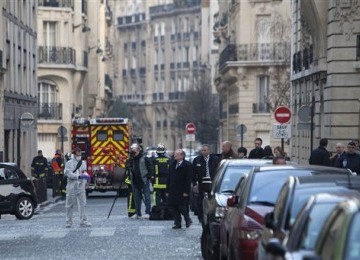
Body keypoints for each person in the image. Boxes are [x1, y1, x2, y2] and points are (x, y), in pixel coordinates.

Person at [64, 147, 91, 228]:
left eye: (80, 152)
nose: (79, 153)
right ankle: (68, 222)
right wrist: (77, 177)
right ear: (74, 153)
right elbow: (67, 173)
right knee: (69, 204)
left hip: (81, 185)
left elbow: (84, 172)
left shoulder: (83, 163)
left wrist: (86, 178)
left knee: (83, 204)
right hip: (72, 185)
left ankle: (83, 221)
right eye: (78, 152)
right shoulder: (69, 163)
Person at [192, 144, 219, 223]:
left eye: (205, 150)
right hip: (201, 182)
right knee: (200, 200)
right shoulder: (197, 160)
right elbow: (194, 173)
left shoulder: (215, 159)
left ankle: (211, 216)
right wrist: (194, 184)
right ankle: (201, 217)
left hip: (212, 182)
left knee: (212, 200)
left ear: (209, 151)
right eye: (202, 150)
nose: (203, 152)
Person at [167, 149, 193, 229]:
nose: (175, 156)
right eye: (175, 154)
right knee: (172, 207)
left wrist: (186, 191)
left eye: (177, 154)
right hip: (172, 190)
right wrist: (167, 190)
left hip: (182, 190)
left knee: (182, 207)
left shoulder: (187, 165)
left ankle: (187, 219)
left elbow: (188, 179)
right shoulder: (172, 164)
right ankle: (177, 222)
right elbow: (169, 178)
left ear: (182, 156)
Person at [127, 143, 153, 219]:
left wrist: (148, 177)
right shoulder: (132, 159)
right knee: (137, 198)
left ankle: (147, 212)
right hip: (135, 181)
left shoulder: (145, 158)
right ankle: (138, 213)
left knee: (147, 197)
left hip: (144, 180)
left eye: (134, 150)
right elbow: (128, 167)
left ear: (138, 150)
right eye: (132, 150)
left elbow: (151, 168)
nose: (133, 152)